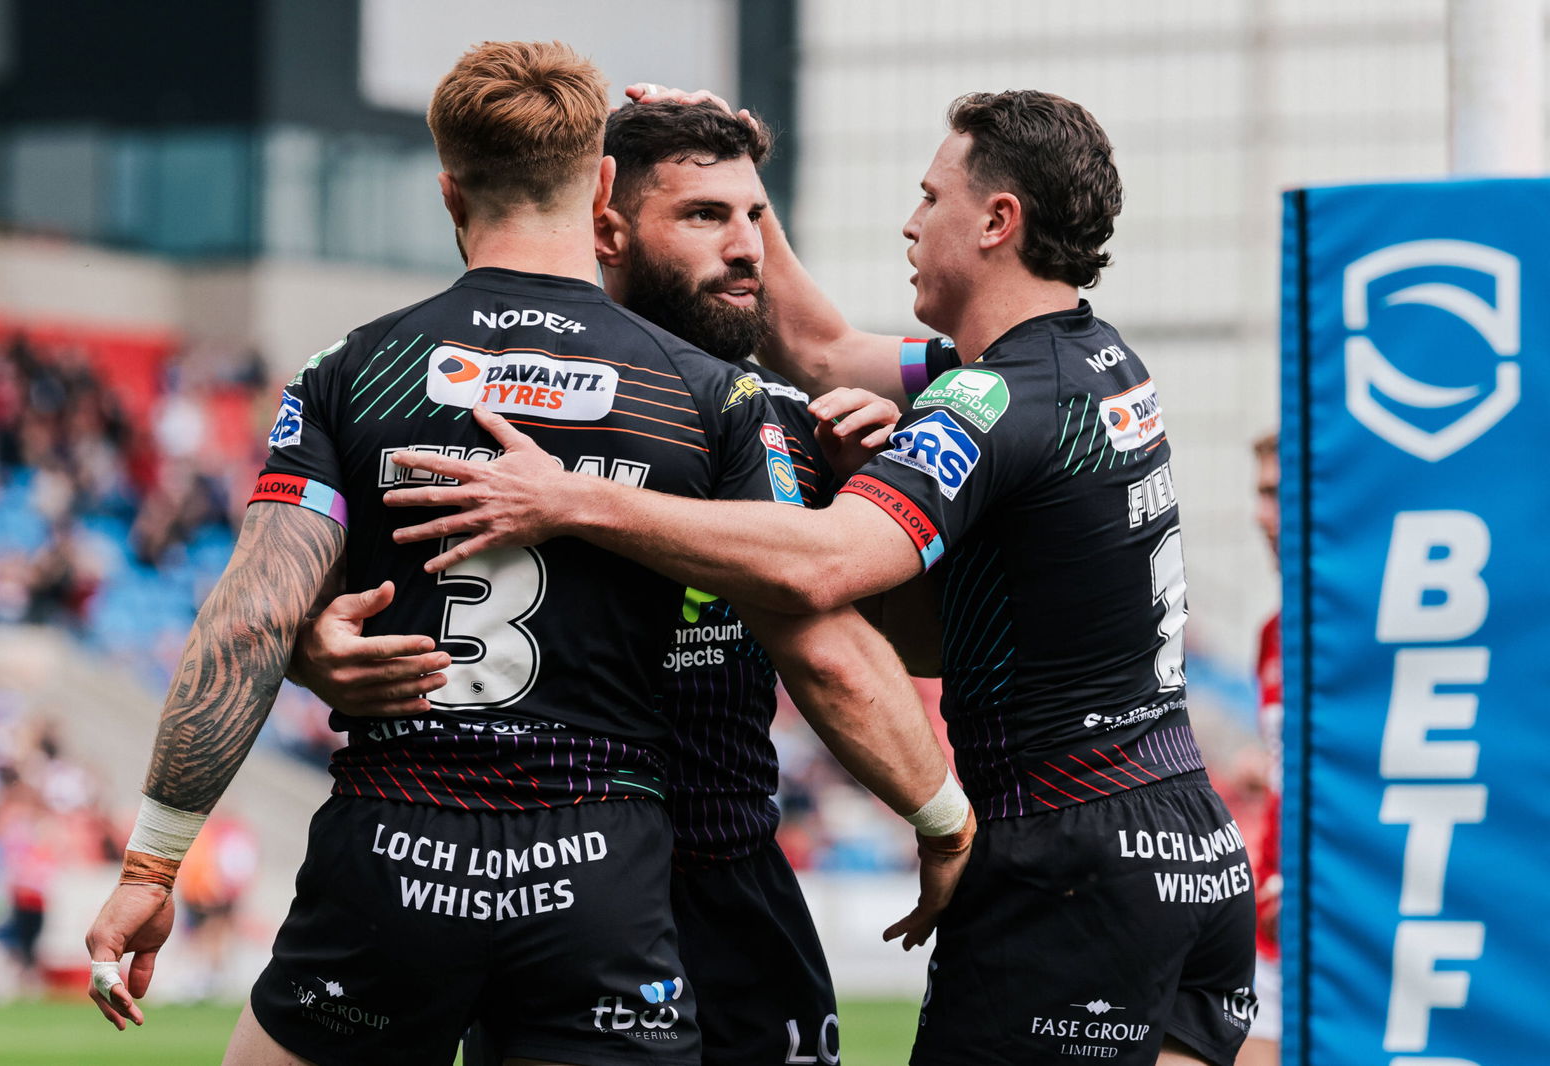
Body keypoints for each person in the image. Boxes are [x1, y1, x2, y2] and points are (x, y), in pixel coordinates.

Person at [81, 42, 963, 1066]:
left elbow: (247, 619)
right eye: (707, 215)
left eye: (750, 218)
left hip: (399, 843)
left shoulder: (350, 370)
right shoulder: (711, 400)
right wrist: (943, 818)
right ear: (601, 196)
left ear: (449, 190)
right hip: (600, 862)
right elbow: (821, 642)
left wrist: (152, 865)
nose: (742, 246)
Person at [382, 88, 1258, 1066]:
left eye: (931, 198)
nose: (910, 221)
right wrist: (740, 191)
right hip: (1189, 841)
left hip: (1070, 853)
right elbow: (824, 353)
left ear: (997, 221)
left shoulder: (989, 395)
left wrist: (575, 498)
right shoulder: (1097, 361)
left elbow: (830, 562)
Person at [1236, 433, 1281, 1066]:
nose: (1260, 515)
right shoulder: (1274, 634)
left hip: (1346, 918)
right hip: (1274, 930)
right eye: (1259, 494)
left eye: (1276, 493)